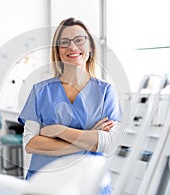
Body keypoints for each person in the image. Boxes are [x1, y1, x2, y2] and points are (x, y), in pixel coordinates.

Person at [18, 17, 122, 194]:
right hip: (45, 183)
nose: (72, 47)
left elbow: (108, 143)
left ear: (90, 47)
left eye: (79, 40)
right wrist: (89, 140)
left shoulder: (105, 92)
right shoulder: (40, 91)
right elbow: (30, 143)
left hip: (89, 183)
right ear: (57, 51)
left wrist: (57, 131)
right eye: (64, 42)